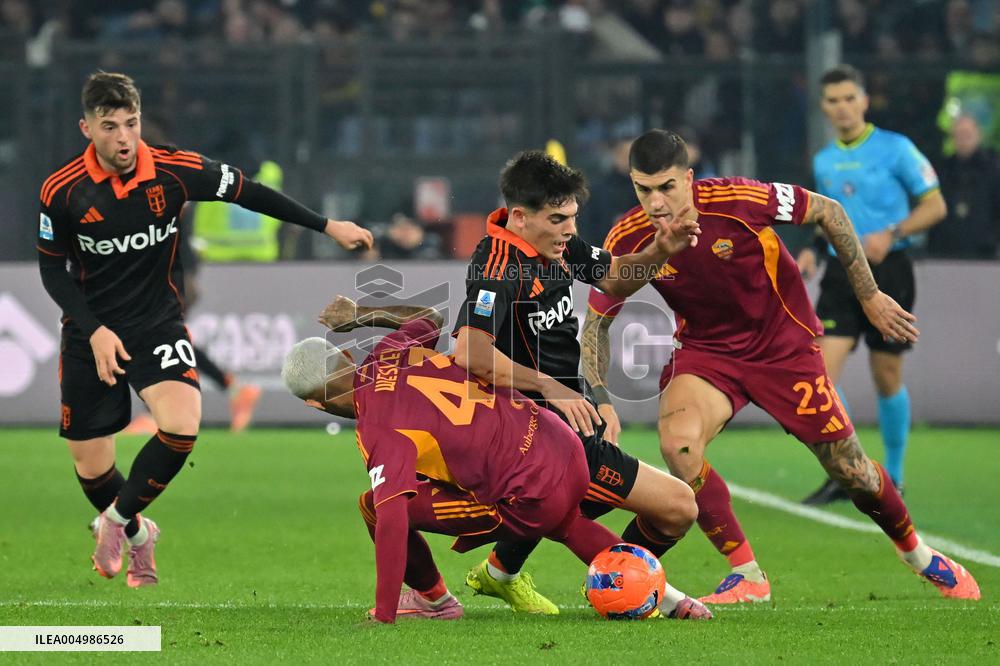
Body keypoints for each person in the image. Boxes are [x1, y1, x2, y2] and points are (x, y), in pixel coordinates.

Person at [582, 128, 979, 604]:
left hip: (783, 346)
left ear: (689, 178)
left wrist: (869, 295)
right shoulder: (628, 236)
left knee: (852, 473)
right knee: (678, 446)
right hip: (709, 352)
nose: (657, 202)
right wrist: (601, 400)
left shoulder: (739, 199)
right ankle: (747, 575)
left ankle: (919, 554)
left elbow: (829, 211)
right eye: (644, 190)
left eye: (667, 187)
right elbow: (595, 322)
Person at [36, 71, 373, 586]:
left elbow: (250, 192)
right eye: (109, 126)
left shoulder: (176, 169)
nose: (123, 137)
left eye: (131, 123)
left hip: (156, 322)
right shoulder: (62, 192)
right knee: (91, 466)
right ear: (87, 128)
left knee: (181, 425)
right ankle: (141, 534)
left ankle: (115, 521)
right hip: (90, 333)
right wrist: (94, 329)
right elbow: (49, 269)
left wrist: (328, 226)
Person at [281, 298, 709, 623]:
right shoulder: (392, 348)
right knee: (566, 523)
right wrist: (362, 314)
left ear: (316, 405)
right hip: (564, 445)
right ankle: (674, 601)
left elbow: (393, 520)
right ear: (350, 358)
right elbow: (431, 316)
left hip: (527, 497)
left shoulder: (377, 427)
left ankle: (434, 601)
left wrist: (384, 612)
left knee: (375, 506)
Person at [451, 150, 704, 615]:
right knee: (678, 507)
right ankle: (642, 594)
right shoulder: (498, 269)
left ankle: (500, 573)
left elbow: (614, 279)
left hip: (568, 420)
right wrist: (552, 387)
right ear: (521, 217)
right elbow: (470, 354)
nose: (569, 229)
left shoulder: (558, 246)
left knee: (569, 507)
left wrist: (661, 250)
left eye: (572, 217)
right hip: (533, 434)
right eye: (558, 218)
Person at [797, 65, 947, 505]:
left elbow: (935, 205)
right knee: (821, 375)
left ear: (863, 101)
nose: (841, 107)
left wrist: (893, 233)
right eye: (832, 100)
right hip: (841, 273)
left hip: (891, 272)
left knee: (886, 377)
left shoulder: (897, 149)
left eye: (848, 98)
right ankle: (851, 470)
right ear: (824, 108)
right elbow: (827, 219)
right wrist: (811, 245)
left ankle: (894, 476)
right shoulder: (824, 161)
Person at [928, 114, 1000, 259]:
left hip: (986, 254)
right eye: (959, 135)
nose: (963, 140)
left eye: (967, 134)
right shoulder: (943, 170)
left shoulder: (995, 168)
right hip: (945, 253)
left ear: (978, 134)